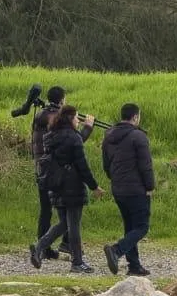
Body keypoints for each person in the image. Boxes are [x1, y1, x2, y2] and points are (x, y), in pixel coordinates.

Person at [31, 106, 104, 273]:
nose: (78, 121)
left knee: (64, 223)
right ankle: (77, 262)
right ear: (70, 119)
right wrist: (94, 186)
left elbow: (72, 144)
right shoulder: (73, 138)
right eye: (77, 118)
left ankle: (39, 247)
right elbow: (82, 165)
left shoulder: (51, 136)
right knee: (74, 225)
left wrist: (87, 128)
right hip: (72, 185)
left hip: (56, 185)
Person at [101, 103, 154, 276]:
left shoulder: (108, 136)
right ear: (135, 117)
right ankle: (116, 250)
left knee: (130, 226)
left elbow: (106, 165)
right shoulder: (138, 137)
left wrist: (115, 179)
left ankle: (134, 266)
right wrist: (149, 186)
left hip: (118, 188)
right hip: (136, 189)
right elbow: (145, 165)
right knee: (142, 226)